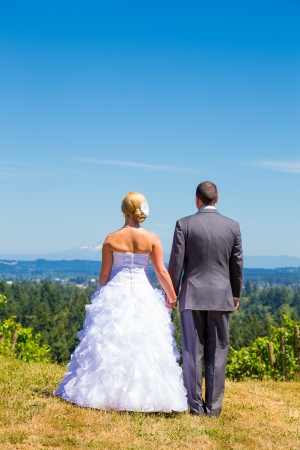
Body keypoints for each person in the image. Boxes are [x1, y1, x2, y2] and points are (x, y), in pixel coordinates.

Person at [54, 191, 187, 413]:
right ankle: (147, 398)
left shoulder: (111, 239)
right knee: (145, 344)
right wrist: (172, 297)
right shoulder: (152, 238)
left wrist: (100, 295)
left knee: (110, 343)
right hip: (144, 293)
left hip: (116, 291)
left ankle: (103, 393)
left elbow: (104, 275)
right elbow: (162, 272)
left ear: (123, 210)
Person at [168, 181, 243, 417]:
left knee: (192, 351)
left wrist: (172, 293)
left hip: (191, 296)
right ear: (217, 199)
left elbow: (176, 264)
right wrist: (235, 294)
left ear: (196, 199)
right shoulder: (233, 227)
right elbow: (237, 264)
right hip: (222, 297)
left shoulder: (184, 224)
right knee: (218, 350)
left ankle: (195, 406)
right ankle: (214, 408)